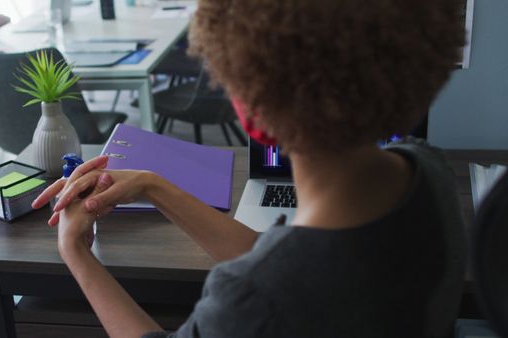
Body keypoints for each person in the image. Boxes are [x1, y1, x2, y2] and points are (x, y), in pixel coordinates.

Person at [31, 0, 466, 337]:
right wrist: (151, 185)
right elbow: (280, 261)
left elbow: (273, 277)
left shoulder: (253, 296)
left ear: (253, 115)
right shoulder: (429, 170)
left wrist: (78, 254)